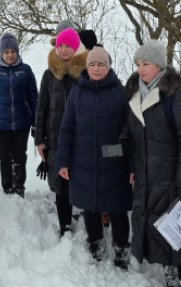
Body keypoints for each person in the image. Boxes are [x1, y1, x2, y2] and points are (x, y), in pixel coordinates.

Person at [126, 40, 181, 287]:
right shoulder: (135, 95)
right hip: (149, 177)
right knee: (159, 229)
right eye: (138, 64)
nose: (141, 69)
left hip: (174, 177)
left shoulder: (175, 96)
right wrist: (132, 168)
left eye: (146, 64)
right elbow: (134, 139)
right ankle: (170, 272)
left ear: (159, 65)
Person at [55, 46, 132, 268]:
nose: (96, 69)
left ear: (108, 67)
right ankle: (96, 246)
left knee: (117, 209)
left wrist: (124, 155)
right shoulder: (77, 93)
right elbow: (67, 128)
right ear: (87, 67)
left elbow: (130, 130)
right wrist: (62, 160)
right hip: (83, 161)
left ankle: (121, 252)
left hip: (114, 163)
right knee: (91, 207)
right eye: (92, 65)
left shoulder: (120, 92)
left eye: (101, 65)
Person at [33, 21, 88, 235]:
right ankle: (64, 224)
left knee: (79, 178)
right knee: (60, 183)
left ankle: (84, 217)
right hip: (55, 137)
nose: (64, 50)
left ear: (76, 48)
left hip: (80, 137)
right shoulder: (49, 74)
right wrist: (40, 139)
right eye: (60, 46)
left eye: (68, 46)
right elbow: (42, 107)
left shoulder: (85, 73)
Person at [0, 32, 38, 197]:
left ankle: (19, 187)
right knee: (4, 156)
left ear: (17, 52)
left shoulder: (25, 70)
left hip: (22, 122)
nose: (10, 55)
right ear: (1, 53)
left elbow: (34, 98)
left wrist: (35, 122)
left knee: (20, 155)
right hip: (1, 123)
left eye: (13, 51)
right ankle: (7, 188)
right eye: (6, 52)